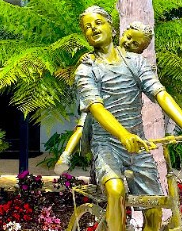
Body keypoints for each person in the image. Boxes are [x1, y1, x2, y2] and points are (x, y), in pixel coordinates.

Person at [72, 5, 182, 231]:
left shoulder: (134, 62)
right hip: (107, 144)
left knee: (155, 207)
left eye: (98, 23)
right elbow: (96, 107)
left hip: (139, 145)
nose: (93, 29)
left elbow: (159, 93)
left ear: (112, 27)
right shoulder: (86, 69)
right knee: (116, 190)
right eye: (87, 27)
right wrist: (122, 135)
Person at [54, 22, 154, 176]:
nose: (128, 43)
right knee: (81, 127)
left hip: (122, 117)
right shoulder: (97, 58)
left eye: (135, 44)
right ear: (121, 33)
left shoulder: (136, 63)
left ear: (140, 50)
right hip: (96, 104)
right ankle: (66, 156)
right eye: (128, 38)